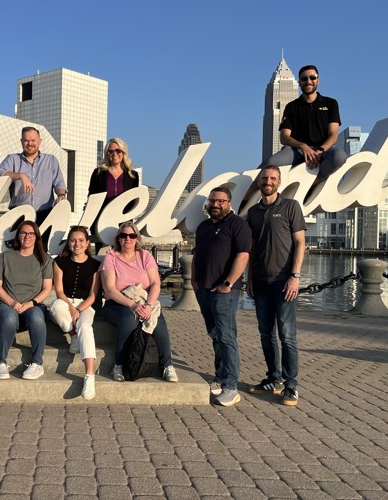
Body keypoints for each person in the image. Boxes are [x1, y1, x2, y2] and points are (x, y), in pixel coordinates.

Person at [246, 165, 306, 406]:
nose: (268, 181)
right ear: (259, 182)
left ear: (279, 182)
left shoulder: (291, 207)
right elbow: (252, 248)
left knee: (287, 335)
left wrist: (295, 275)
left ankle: (291, 385)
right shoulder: (253, 212)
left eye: (272, 178)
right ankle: (273, 378)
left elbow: (300, 243)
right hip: (260, 281)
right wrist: (249, 278)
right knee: (265, 334)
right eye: (264, 178)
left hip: (284, 281)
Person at [191, 187, 251, 407]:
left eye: (220, 201)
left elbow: (243, 255)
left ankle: (231, 386)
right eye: (212, 201)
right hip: (203, 289)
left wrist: (228, 283)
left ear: (229, 203)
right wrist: (193, 280)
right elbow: (197, 254)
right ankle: (220, 377)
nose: (215, 204)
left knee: (226, 336)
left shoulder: (237, 225)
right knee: (215, 334)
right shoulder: (204, 226)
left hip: (224, 291)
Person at [100, 221, 178, 383]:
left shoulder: (145, 256)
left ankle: (167, 365)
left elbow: (156, 283)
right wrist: (133, 306)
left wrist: (148, 306)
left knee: (157, 319)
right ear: (118, 239)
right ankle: (119, 364)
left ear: (137, 238)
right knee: (129, 318)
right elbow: (110, 289)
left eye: (131, 235)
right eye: (123, 235)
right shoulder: (111, 257)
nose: (127, 239)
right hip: (117, 302)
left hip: (143, 299)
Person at [0, 220, 53, 380]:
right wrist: (12, 302)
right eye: (23, 233)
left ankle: (37, 363)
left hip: (33, 304)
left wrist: (30, 304)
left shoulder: (44, 259)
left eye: (31, 233)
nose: (27, 236)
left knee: (37, 318)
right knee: (10, 318)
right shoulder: (6, 256)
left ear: (36, 237)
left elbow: (47, 288)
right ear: (18, 236)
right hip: (7, 303)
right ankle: (0, 363)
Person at [264, 65, 346, 181]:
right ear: (299, 82)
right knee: (272, 163)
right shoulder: (292, 107)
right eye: (304, 79)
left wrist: (320, 151)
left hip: (322, 150)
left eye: (312, 77)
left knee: (339, 157)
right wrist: (303, 146)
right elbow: (284, 137)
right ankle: (246, 198)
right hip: (296, 150)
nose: (308, 81)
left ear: (318, 80)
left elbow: (333, 135)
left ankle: (314, 184)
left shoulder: (331, 103)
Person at [48, 226, 101, 400]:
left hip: (86, 304)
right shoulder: (59, 262)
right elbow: (59, 291)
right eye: (72, 240)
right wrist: (71, 308)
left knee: (85, 326)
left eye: (80, 240)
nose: (76, 244)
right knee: (55, 307)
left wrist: (79, 309)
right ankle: (73, 334)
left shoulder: (95, 265)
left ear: (87, 243)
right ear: (68, 243)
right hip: (65, 302)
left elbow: (93, 295)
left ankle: (89, 377)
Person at [0, 127, 67, 226]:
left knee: (44, 242)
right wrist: (20, 175)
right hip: (18, 216)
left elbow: (59, 183)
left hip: (44, 215)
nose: (30, 144)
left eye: (33, 140)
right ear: (21, 142)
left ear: (40, 141)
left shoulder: (51, 160)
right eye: (26, 140)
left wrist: (61, 195)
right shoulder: (12, 159)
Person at [87, 138, 140, 205]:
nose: (114, 154)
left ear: (123, 153)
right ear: (107, 154)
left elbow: (134, 201)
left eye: (118, 151)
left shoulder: (133, 176)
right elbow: (91, 197)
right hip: (103, 214)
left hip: (124, 215)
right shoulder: (98, 173)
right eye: (110, 151)